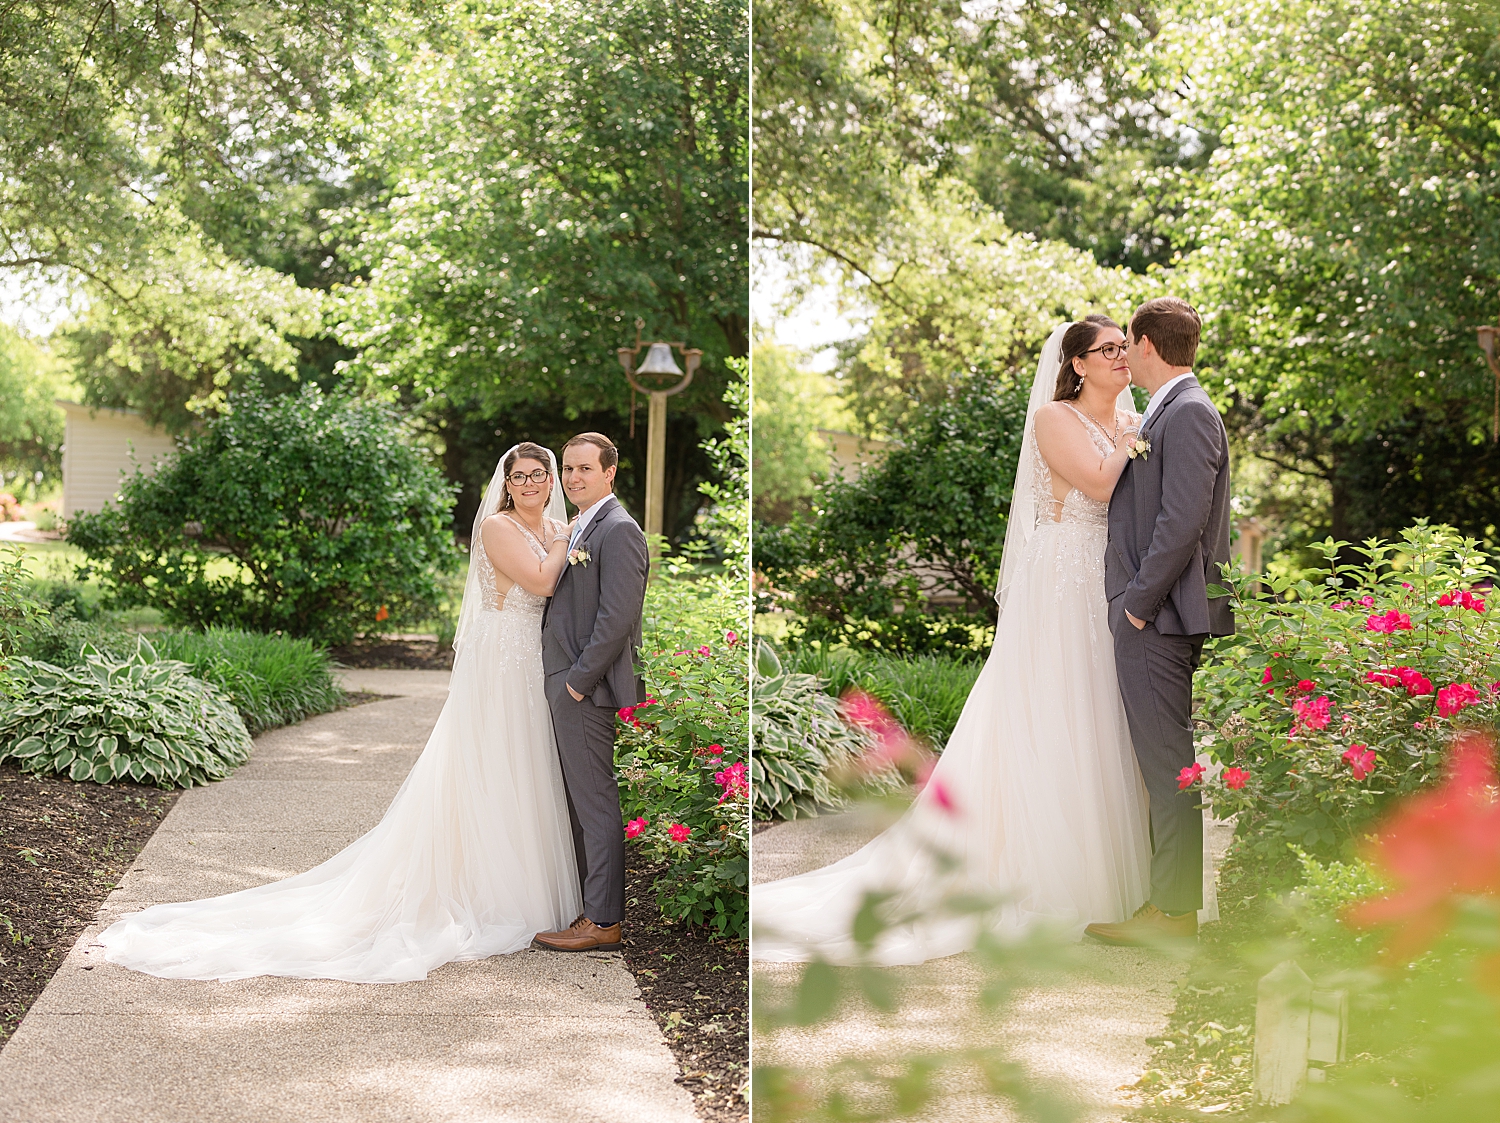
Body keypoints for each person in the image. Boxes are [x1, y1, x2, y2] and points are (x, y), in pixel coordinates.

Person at [752, 314, 1156, 965]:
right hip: (1062, 581)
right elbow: (1104, 483)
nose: (1119, 358)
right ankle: (1041, 875)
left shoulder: (1131, 417)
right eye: (1106, 349)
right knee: (1057, 713)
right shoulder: (1056, 418)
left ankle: (1120, 877)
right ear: (1077, 363)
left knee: (1103, 717)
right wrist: (1135, 435)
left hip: (1109, 577)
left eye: (1122, 348)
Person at [99, 443, 583, 982]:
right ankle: (489, 895)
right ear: (507, 484)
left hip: (532, 661)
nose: (532, 483)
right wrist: (565, 538)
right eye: (521, 476)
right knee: (493, 765)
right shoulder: (501, 528)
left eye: (541, 474)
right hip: (500, 664)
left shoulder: (552, 528)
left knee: (524, 768)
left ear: (551, 480)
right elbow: (542, 582)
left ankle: (521, 887)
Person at [1085, 296, 1234, 947]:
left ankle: (1172, 914)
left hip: (1162, 617)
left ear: (1147, 344)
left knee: (1168, 762)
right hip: (1160, 614)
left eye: (1127, 344)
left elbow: (1182, 523)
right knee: (1161, 762)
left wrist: (1137, 605)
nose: (1123, 354)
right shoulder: (1169, 409)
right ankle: (1166, 903)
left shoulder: (1190, 412)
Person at [532, 432, 649, 953]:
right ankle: (590, 911)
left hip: (587, 689)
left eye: (584, 468)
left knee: (596, 802)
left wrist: (577, 683)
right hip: (570, 683)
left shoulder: (619, 529)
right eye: (568, 469)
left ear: (609, 473)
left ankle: (603, 921)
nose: (574, 478)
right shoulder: (583, 525)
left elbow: (617, 620)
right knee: (582, 804)